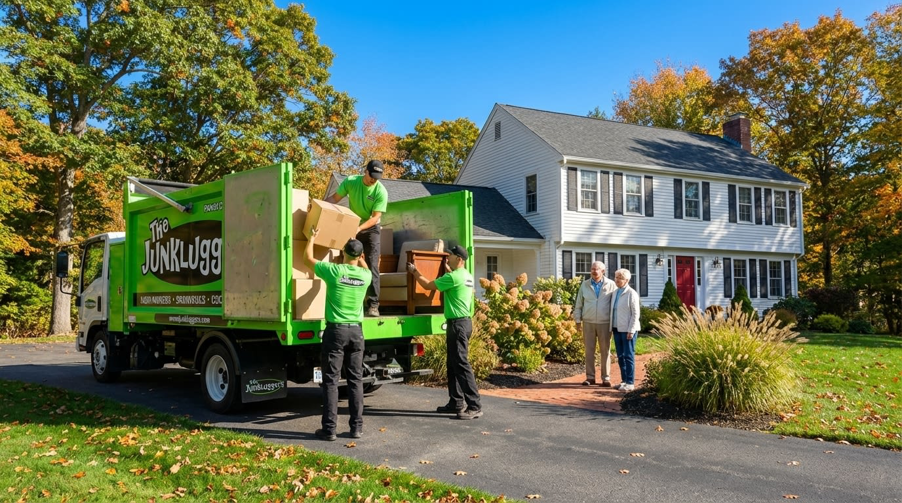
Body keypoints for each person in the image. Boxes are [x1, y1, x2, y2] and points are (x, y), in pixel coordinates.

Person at [303, 229, 371, 441]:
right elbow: (366, 268)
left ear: (343, 253)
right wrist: (362, 260)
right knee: (355, 380)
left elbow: (307, 259)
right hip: (356, 332)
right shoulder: (366, 276)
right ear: (360, 257)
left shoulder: (334, 271)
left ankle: (329, 429)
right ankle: (356, 428)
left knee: (331, 381)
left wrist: (312, 238)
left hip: (336, 331)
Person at [407, 245, 482, 419]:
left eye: (451, 255)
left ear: (460, 259)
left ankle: (475, 405)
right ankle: (456, 402)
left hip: (457, 325)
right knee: (452, 364)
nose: (448, 257)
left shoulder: (452, 277)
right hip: (464, 322)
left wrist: (414, 271)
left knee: (461, 364)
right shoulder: (466, 276)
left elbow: (427, 285)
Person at [327, 159, 387, 317]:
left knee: (372, 264)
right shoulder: (351, 182)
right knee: (347, 261)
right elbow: (334, 199)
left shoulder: (381, 191)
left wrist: (359, 228)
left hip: (371, 229)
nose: (373, 180)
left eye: (377, 177)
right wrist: (320, 205)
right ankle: (347, 300)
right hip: (353, 224)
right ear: (365, 171)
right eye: (371, 176)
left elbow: (375, 218)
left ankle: (373, 305)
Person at [572, 261, 617, 386]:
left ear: (603, 271)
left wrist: (615, 322)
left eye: (596, 269)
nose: (593, 271)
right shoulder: (585, 285)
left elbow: (615, 305)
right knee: (589, 350)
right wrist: (577, 321)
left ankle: (606, 378)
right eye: (592, 269)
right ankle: (590, 377)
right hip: (588, 322)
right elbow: (579, 304)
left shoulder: (611, 284)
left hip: (605, 323)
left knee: (605, 351)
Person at [609, 268, 641, 392]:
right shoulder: (615, 292)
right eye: (616, 277)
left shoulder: (631, 293)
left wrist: (631, 330)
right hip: (617, 328)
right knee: (620, 356)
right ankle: (623, 381)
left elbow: (635, 314)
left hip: (628, 330)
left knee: (628, 356)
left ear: (626, 280)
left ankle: (630, 382)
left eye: (620, 278)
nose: (617, 280)